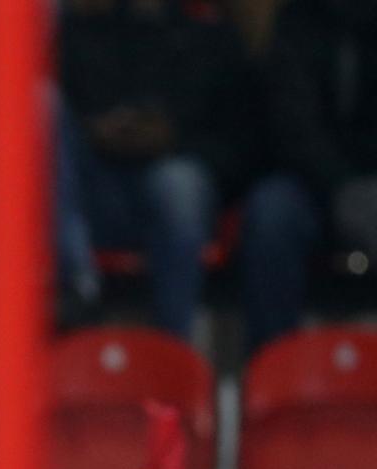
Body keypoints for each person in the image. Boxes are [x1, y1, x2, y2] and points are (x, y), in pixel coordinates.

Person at [55, 0, 254, 337]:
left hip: (180, 200)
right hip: (97, 194)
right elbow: (72, 116)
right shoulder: (86, 25)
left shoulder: (213, 34)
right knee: (40, 106)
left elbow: (242, 148)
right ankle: (77, 285)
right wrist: (99, 131)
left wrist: (172, 140)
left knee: (176, 182)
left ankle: (173, 347)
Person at [240, 0, 377, 358]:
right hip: (311, 183)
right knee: (271, 213)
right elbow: (291, 121)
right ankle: (272, 367)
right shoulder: (299, 17)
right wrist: (341, 187)